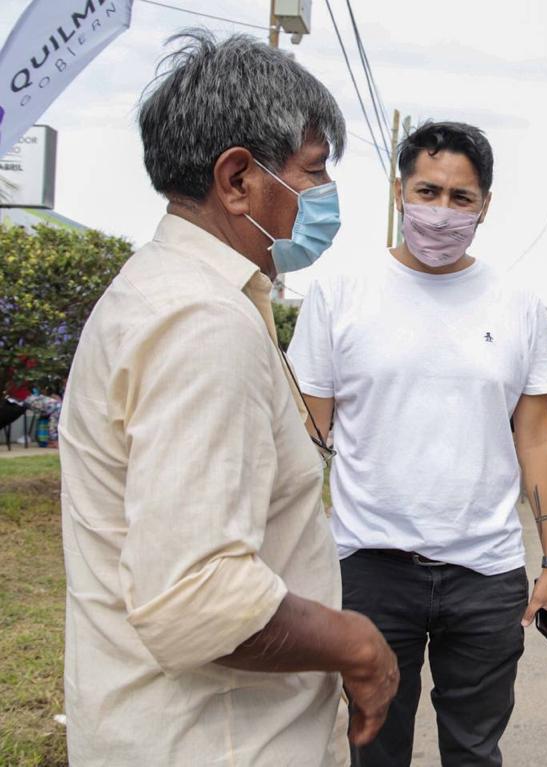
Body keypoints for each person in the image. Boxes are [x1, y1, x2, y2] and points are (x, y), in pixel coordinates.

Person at [58, 32, 397, 766]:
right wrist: (360, 646)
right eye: (313, 172)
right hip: (215, 740)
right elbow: (198, 600)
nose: (325, 197)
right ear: (238, 178)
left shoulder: (177, 293)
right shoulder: (202, 321)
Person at [288, 120, 547, 767]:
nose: (441, 211)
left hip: (486, 573)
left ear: (485, 206)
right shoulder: (339, 292)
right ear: (398, 192)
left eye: (460, 198)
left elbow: (534, 438)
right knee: (372, 748)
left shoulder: (518, 301)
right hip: (368, 567)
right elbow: (304, 438)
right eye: (427, 191)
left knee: (475, 751)